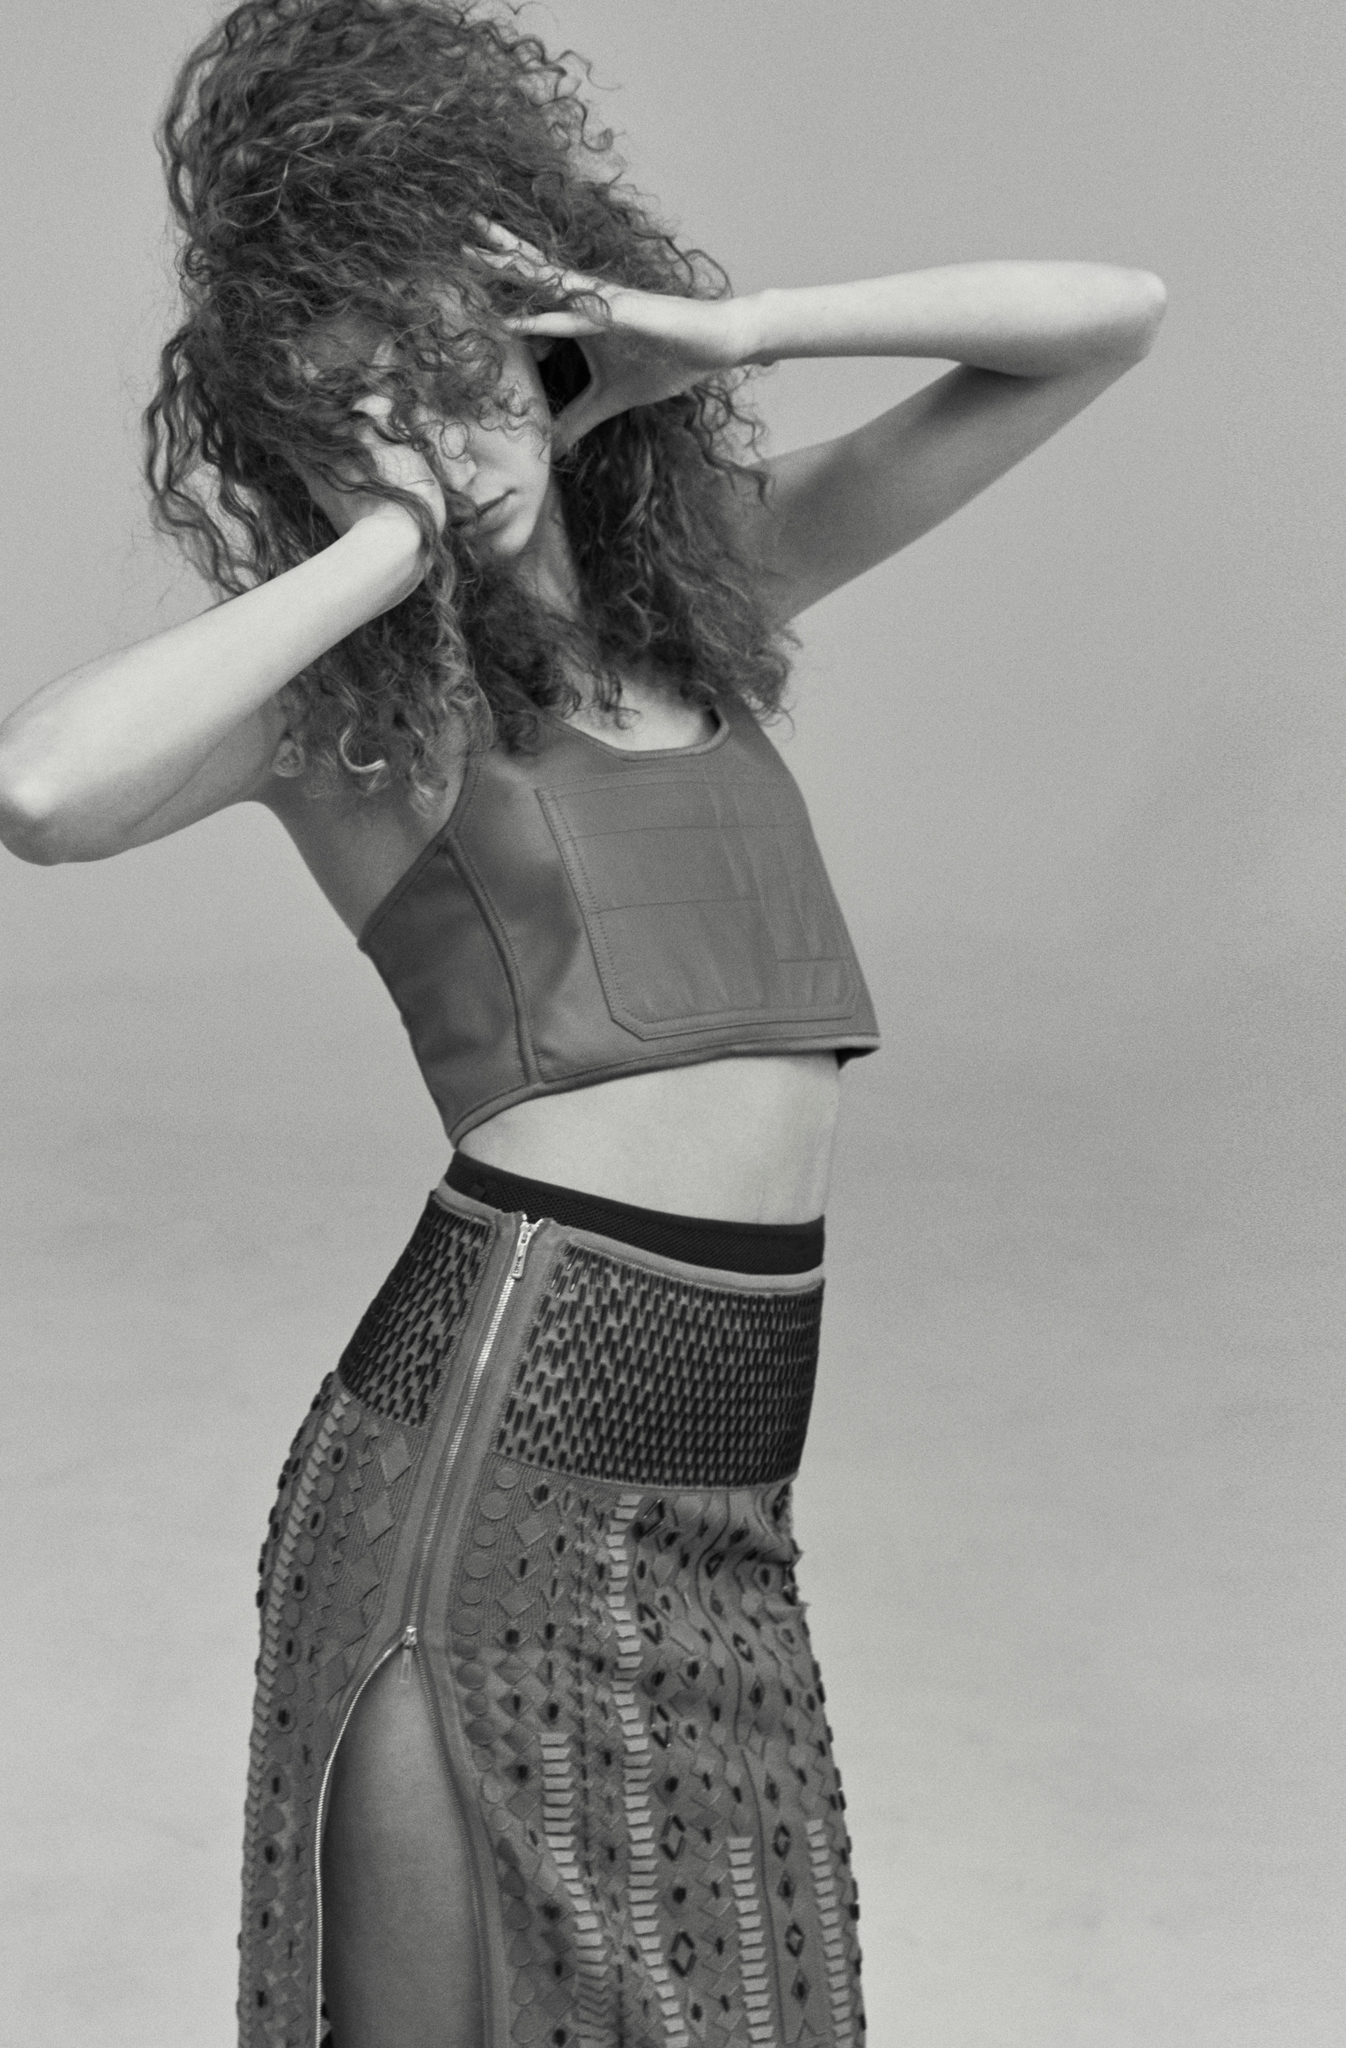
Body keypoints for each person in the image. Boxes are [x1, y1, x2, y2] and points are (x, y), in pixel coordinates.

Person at [0, 3, 1164, 2043]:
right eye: (355, 407)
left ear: (550, 343)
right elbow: (42, 789)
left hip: (720, 1490)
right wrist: (383, 547)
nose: (434, 435)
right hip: (493, 1468)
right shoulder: (350, 715)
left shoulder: (708, 592)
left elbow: (1103, 319)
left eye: (454, 367)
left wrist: (732, 330)